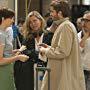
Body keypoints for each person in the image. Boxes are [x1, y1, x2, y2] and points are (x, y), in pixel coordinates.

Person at [39, 1, 86, 90]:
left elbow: (63, 52)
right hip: (61, 72)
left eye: (52, 11)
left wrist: (45, 51)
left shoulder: (66, 26)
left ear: (60, 13)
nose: (50, 14)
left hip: (64, 74)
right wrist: (49, 48)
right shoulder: (64, 25)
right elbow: (63, 48)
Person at [14, 11, 53, 90]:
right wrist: (39, 54)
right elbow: (23, 51)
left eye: (35, 21)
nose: (33, 24)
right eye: (30, 22)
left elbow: (52, 52)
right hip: (30, 71)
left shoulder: (50, 35)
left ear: (40, 20)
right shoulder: (28, 37)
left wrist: (31, 53)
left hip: (47, 70)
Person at [0, 8, 29, 90]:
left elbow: (4, 53)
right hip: (3, 71)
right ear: (3, 18)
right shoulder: (1, 35)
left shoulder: (3, 33)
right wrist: (18, 57)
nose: (13, 21)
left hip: (6, 70)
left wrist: (14, 51)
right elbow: (0, 60)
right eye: (11, 18)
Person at [79, 11, 90, 90]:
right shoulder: (77, 36)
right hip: (80, 72)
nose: (84, 23)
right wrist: (85, 37)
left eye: (87, 21)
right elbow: (76, 53)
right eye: (83, 20)